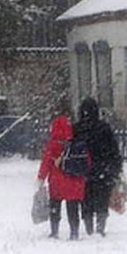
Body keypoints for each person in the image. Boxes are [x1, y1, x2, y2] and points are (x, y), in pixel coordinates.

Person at [37, 93, 86, 239]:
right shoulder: (76, 143)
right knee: (73, 208)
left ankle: (54, 230)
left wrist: (41, 178)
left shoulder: (53, 144)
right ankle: (74, 232)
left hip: (57, 181)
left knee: (55, 206)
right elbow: (86, 161)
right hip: (74, 181)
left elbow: (46, 162)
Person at [74, 96, 123, 237]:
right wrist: (116, 168)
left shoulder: (77, 129)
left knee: (85, 199)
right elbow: (113, 150)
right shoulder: (104, 128)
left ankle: (89, 227)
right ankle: (100, 226)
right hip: (103, 170)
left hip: (83, 171)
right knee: (102, 198)